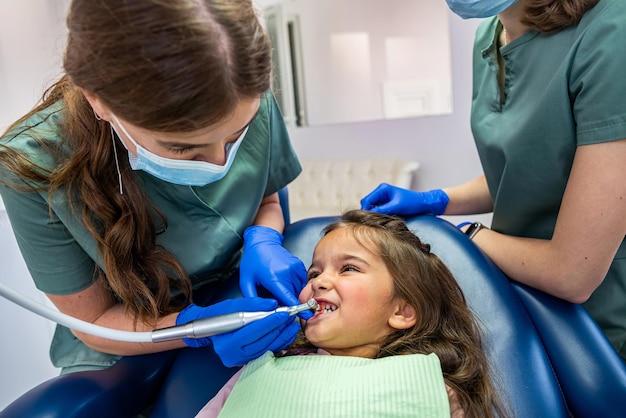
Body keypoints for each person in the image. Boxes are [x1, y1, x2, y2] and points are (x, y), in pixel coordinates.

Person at [0, 0, 311, 384]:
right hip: (130, 342)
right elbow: (94, 320)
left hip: (242, 291)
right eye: (182, 148)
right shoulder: (32, 163)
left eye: (236, 137)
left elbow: (267, 197)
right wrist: (193, 327)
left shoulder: (240, 85)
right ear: (97, 99)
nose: (218, 164)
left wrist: (264, 237)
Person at [361, 0, 626, 361]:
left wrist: (464, 236)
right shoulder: (490, 35)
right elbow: (531, 170)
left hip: (603, 321)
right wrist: (437, 200)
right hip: (523, 303)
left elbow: (572, 274)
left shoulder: (611, 31)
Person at [197, 210, 508, 418]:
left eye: (348, 268)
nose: (318, 281)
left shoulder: (437, 393)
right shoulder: (261, 370)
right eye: (312, 273)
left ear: (402, 311)